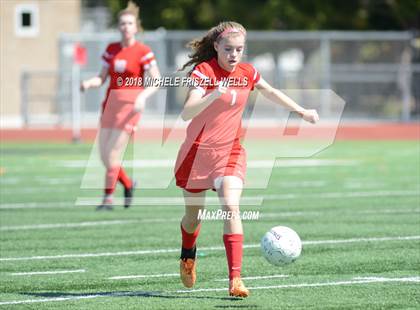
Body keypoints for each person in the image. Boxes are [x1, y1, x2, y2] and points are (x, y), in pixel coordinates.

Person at [175, 21, 319, 297]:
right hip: (196, 154)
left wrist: (301, 112)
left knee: (231, 205)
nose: (233, 55)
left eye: (239, 49)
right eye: (228, 49)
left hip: (230, 151)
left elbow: (270, 92)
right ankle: (187, 255)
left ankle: (235, 280)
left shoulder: (247, 73)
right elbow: (187, 112)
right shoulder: (203, 72)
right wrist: (213, 94)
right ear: (216, 46)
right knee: (192, 219)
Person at [81, 1, 160, 210]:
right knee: (104, 156)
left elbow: (157, 81)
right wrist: (89, 83)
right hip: (109, 106)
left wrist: (143, 97)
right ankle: (128, 183)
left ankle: (108, 199)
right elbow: (101, 77)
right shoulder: (111, 49)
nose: (125, 26)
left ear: (136, 27)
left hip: (130, 108)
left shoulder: (143, 51)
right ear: (118, 26)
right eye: (122, 23)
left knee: (113, 154)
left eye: (129, 23)